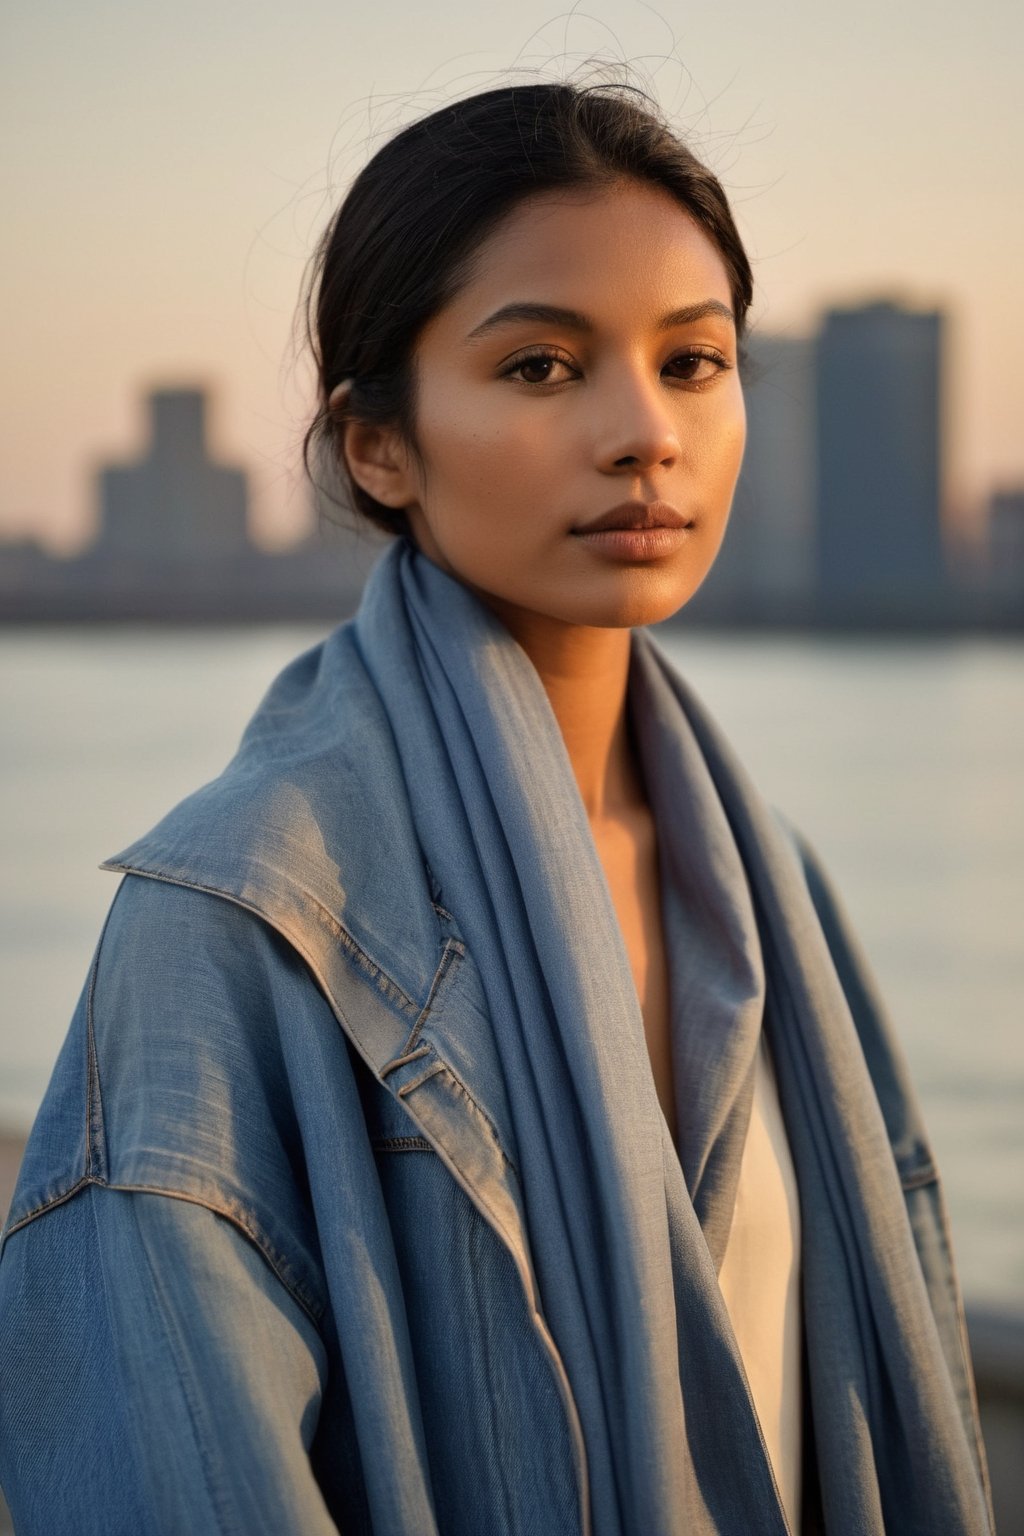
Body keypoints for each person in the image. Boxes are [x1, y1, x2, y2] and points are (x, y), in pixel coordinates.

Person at [0, 80, 993, 1536]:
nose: (645, 432)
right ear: (377, 446)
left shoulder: (772, 889)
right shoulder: (232, 928)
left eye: (695, 362)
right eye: (541, 367)